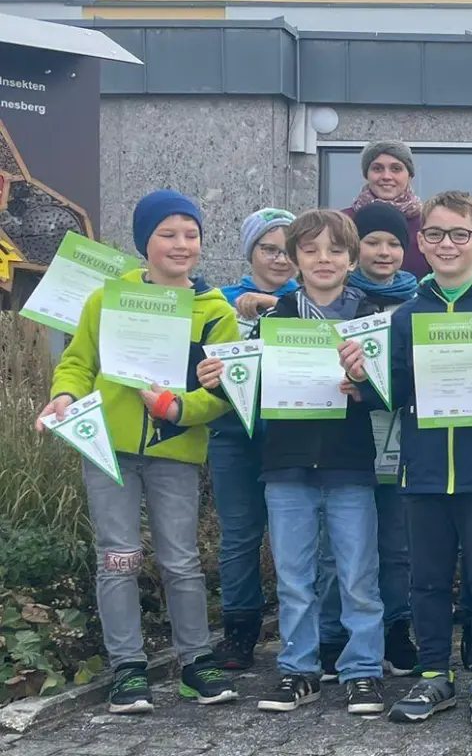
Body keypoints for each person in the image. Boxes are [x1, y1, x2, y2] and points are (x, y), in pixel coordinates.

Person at [338, 189, 472, 730]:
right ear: (421, 244)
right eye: (434, 234)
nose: (446, 244)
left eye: (458, 234)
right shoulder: (408, 315)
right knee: (426, 580)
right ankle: (433, 676)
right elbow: (394, 391)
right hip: (424, 470)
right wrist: (362, 377)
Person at [37, 189, 240, 713]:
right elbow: (78, 362)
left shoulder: (216, 311)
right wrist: (65, 396)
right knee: (118, 558)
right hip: (109, 447)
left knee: (182, 560)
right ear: (144, 242)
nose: (181, 244)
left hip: (176, 450)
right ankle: (127, 668)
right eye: (167, 234)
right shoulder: (107, 298)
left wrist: (178, 408)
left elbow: (224, 394)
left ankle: (196, 662)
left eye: (191, 234)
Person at [216, 209, 388, 716]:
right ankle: (298, 670)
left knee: (357, 576)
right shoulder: (274, 321)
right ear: (294, 259)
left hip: (351, 465)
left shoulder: (371, 318)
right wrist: (221, 377)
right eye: (310, 250)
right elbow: (248, 387)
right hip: (286, 466)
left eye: (335, 250)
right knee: (294, 577)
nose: (323, 259)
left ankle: (362, 670)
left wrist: (367, 388)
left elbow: (394, 391)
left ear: (352, 260)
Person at [211, 208, 298, 671]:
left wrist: (274, 306)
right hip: (232, 432)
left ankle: (302, 632)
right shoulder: (221, 301)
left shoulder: (307, 301)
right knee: (240, 535)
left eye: (288, 250)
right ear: (250, 252)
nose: (280, 259)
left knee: (298, 539)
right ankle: (239, 631)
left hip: (290, 435)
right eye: (269, 249)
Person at [346, 201, 422, 674]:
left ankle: (397, 626)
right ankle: (344, 632)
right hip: (349, 435)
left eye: (394, 243)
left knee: (397, 542)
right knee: (348, 545)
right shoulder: (339, 301)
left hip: (402, 434)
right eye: (372, 241)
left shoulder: (419, 302)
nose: (383, 251)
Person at [341, 139, 430, 278]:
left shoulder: (427, 223)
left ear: (410, 175)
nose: (386, 176)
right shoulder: (343, 223)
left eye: (396, 169)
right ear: (366, 174)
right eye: (377, 169)